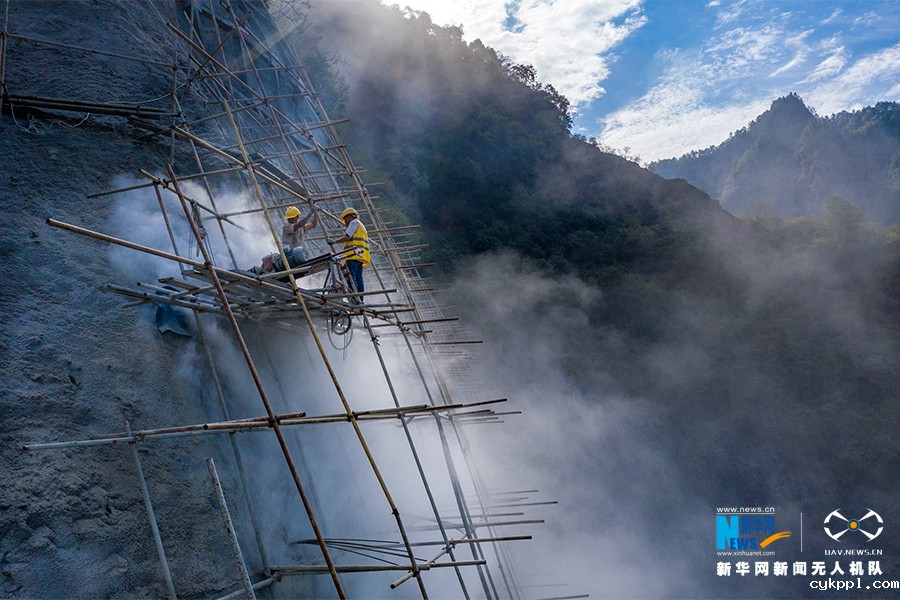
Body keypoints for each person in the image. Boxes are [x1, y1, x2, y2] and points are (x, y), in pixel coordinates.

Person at [250, 205, 318, 275]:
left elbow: (313, 225)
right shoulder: (287, 227)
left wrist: (315, 214)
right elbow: (299, 225)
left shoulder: (301, 229)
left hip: (297, 256)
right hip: (288, 256)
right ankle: (259, 271)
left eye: (291, 218)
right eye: (289, 218)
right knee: (270, 271)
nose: (290, 220)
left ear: (296, 217)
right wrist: (311, 213)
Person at [329, 207, 370, 301]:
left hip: (353, 255)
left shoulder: (353, 223)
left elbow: (347, 237)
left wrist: (334, 241)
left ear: (349, 217)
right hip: (361, 256)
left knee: (351, 277)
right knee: (359, 278)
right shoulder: (361, 226)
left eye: (345, 220)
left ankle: (354, 298)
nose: (345, 223)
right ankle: (360, 299)